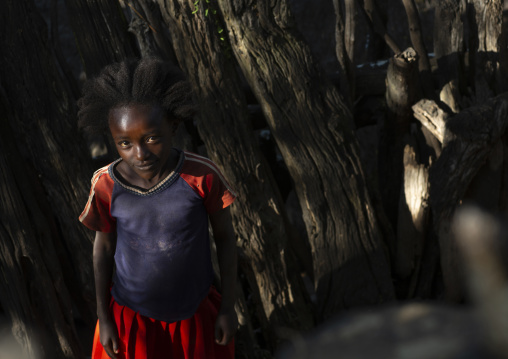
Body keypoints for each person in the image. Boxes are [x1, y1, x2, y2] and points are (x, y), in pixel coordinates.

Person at [77, 57, 238, 359]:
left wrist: (227, 307)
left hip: (195, 314)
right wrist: (104, 317)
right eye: (124, 143)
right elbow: (102, 250)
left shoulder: (201, 176)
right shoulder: (105, 184)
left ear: (173, 125)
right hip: (132, 319)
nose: (140, 154)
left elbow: (226, 239)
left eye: (152, 138)